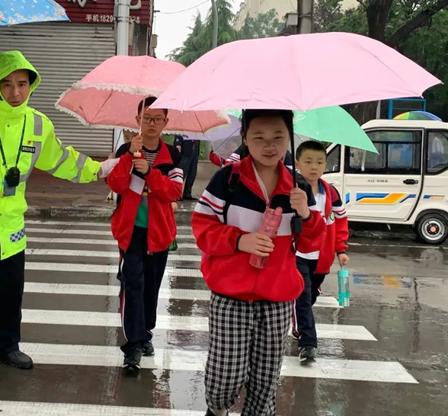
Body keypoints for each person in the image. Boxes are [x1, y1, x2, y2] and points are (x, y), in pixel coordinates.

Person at [0, 50, 117, 386]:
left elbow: (61, 160)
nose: (15, 92)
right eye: (8, 84)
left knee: (10, 285)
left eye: (22, 84)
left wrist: (98, 170)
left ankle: (6, 345)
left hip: (8, 217)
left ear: (31, 85)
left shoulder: (38, 125)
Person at [192, 109, 324, 416]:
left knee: (265, 382)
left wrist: (305, 214)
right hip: (231, 295)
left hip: (277, 297)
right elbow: (202, 228)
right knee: (227, 376)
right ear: (245, 139)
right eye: (259, 137)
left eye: (278, 137)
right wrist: (240, 240)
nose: (269, 145)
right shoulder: (228, 179)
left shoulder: (298, 187)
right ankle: (217, 409)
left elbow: (311, 242)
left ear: (289, 138)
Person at [106, 96, 183, 374]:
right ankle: (133, 345)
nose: (151, 123)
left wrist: (149, 172)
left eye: (157, 119)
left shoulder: (172, 156)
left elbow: (174, 191)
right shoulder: (127, 149)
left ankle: (145, 332)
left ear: (166, 122)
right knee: (133, 285)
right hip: (131, 233)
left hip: (159, 234)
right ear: (137, 119)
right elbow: (114, 183)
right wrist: (129, 157)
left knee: (151, 289)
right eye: (146, 117)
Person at [293, 140, 350, 363]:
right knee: (303, 299)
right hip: (297, 254)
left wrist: (341, 249)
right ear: (298, 163)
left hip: (321, 257)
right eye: (308, 161)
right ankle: (308, 344)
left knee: (311, 296)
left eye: (319, 162)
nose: (314, 167)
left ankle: (299, 323)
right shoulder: (293, 188)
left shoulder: (330, 192)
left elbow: (341, 220)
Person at [174, 135, 200, 200]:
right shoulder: (185, 126)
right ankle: (176, 194)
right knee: (181, 175)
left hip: (194, 153)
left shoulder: (197, 127)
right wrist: (178, 144)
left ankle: (187, 194)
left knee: (192, 174)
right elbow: (178, 134)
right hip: (185, 153)